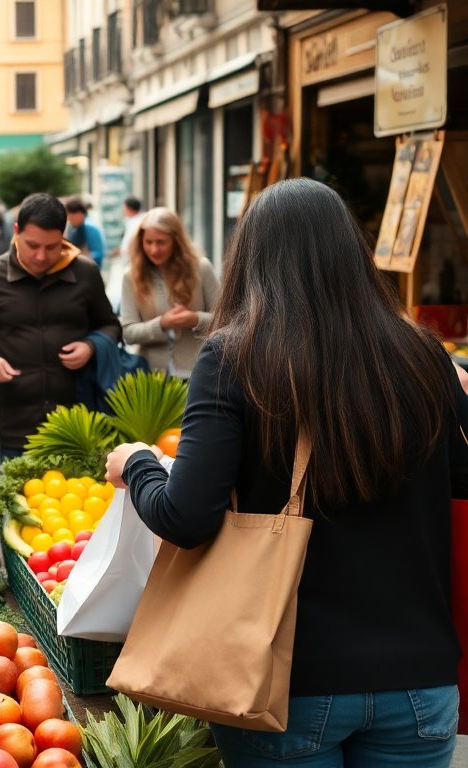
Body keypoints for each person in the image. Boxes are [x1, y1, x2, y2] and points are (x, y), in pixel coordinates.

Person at [105, 178, 467, 767]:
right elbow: (462, 480)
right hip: (420, 683)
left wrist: (139, 464)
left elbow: (186, 516)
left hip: (285, 683)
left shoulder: (233, 357)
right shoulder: (422, 353)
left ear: (251, 258)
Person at [0, 193, 121, 457]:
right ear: (16, 232)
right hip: (9, 429)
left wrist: (91, 346)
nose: (41, 256)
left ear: (64, 236)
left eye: (52, 247)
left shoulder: (86, 273)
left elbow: (111, 326)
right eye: (32, 245)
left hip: (76, 428)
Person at [119, 208, 219, 379]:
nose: (154, 249)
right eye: (148, 242)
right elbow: (128, 333)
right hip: (151, 377)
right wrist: (162, 324)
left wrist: (195, 319)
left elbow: (226, 319)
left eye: (161, 242)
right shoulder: (131, 276)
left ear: (176, 240)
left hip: (198, 372)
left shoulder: (201, 268)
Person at [106, 196, 146, 308]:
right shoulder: (138, 220)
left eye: (124, 207)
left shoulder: (135, 223)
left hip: (134, 263)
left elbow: (127, 247)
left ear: (128, 208)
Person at [64, 198, 106, 268]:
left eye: (70, 216)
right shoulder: (73, 228)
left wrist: (81, 256)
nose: (69, 219)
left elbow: (99, 254)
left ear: (79, 214)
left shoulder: (90, 227)